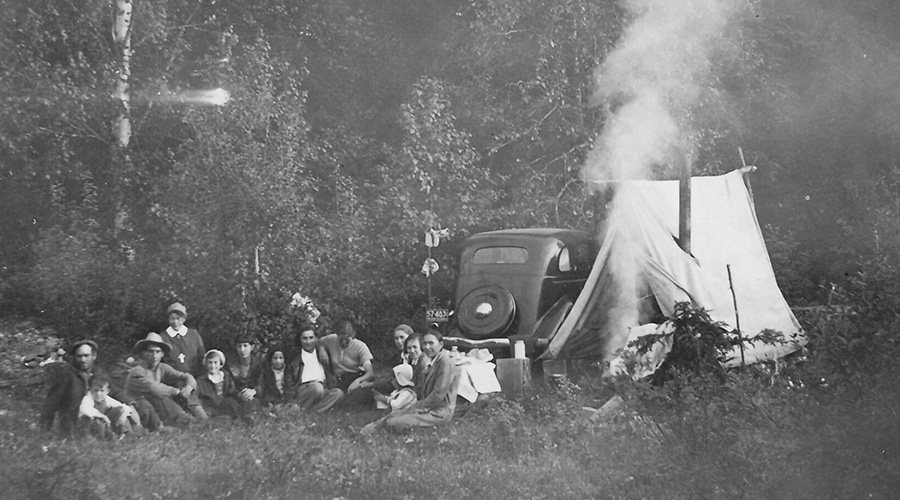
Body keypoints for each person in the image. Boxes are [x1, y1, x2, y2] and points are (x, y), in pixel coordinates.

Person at [384, 330, 459, 432]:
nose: (427, 347)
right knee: (393, 415)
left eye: (431, 343)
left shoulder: (445, 363)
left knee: (393, 422)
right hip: (427, 407)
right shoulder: (431, 360)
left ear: (441, 344)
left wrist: (416, 408)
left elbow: (438, 394)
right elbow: (421, 388)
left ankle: (370, 431)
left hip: (439, 413)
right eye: (424, 343)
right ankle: (367, 429)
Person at [124, 332, 205, 426]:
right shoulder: (138, 370)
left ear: (162, 354)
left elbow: (186, 376)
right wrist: (177, 392)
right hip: (138, 408)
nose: (154, 356)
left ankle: (200, 414)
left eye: (157, 352)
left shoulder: (162, 367)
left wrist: (189, 387)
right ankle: (184, 420)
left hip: (154, 406)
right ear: (144, 353)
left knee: (181, 383)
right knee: (159, 396)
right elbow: (153, 388)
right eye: (151, 351)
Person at [41, 339, 105, 435]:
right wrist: (45, 430)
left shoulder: (98, 373)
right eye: (79, 356)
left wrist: (130, 403)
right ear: (74, 358)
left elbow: (113, 390)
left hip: (96, 422)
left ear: (94, 356)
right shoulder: (67, 375)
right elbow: (51, 403)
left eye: (86, 356)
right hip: (73, 428)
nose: (83, 360)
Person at [286, 325, 343, 412]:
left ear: (316, 339)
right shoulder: (295, 361)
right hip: (304, 389)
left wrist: (321, 349)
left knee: (338, 393)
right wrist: (290, 399)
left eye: (311, 338)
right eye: (304, 338)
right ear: (300, 340)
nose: (308, 342)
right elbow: (289, 383)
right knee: (317, 388)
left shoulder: (323, 355)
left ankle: (310, 411)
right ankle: (299, 407)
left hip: (323, 388)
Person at [196, 349, 254, 425]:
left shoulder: (225, 376)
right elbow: (197, 396)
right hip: (211, 406)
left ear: (220, 364)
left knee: (234, 403)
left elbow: (231, 390)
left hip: (224, 404)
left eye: (215, 362)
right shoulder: (201, 380)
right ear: (206, 364)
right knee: (222, 417)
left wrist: (239, 394)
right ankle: (222, 421)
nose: (213, 366)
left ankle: (243, 417)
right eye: (210, 363)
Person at [318, 320, 375, 395]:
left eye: (348, 335)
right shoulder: (331, 339)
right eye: (342, 334)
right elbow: (318, 342)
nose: (345, 338)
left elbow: (370, 373)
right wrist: (321, 350)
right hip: (336, 378)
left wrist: (357, 381)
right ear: (337, 334)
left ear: (353, 335)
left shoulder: (360, 346)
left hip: (353, 376)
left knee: (356, 394)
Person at [78, 373, 142, 439]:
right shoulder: (87, 398)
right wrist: (102, 416)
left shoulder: (106, 399)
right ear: (90, 389)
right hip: (90, 426)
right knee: (96, 421)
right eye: (95, 390)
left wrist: (123, 415)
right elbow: (85, 410)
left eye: (102, 391)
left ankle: (126, 433)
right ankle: (106, 437)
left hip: (104, 423)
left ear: (107, 391)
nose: (98, 393)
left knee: (119, 410)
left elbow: (124, 407)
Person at [162, 302, 206, 376]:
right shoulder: (163, 337)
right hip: (172, 378)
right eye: (172, 319)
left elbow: (202, 355)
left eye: (178, 318)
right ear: (168, 319)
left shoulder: (194, 334)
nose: (175, 322)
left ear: (184, 319)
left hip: (195, 376)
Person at [224, 333, 262, 403]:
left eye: (245, 346)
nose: (242, 350)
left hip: (254, 396)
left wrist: (253, 391)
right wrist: (239, 394)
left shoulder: (259, 363)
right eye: (239, 346)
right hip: (236, 397)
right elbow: (229, 385)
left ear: (252, 347)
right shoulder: (230, 364)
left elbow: (262, 383)